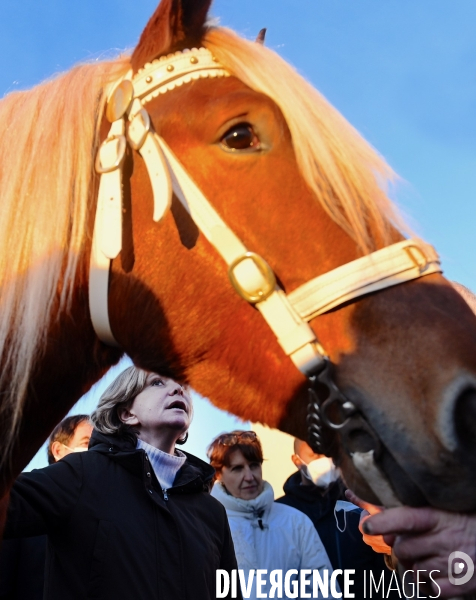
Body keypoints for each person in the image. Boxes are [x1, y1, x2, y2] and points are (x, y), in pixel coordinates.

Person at [3, 367, 239, 600]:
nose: (178, 389)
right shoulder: (83, 474)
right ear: (127, 413)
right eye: (157, 383)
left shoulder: (213, 511)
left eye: (183, 387)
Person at [208, 430, 339, 600]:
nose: (249, 476)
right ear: (219, 474)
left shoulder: (296, 521)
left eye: (254, 465)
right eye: (237, 468)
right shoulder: (207, 527)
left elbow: (322, 589)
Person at [276, 439, 399, 599]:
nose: (326, 459)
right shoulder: (282, 513)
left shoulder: (362, 501)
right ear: (297, 461)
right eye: (315, 454)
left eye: (329, 451)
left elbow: (388, 573)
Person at [0, 414, 92, 600]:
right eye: (86, 442)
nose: (93, 452)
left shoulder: (102, 513)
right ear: (58, 450)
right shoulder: (21, 505)